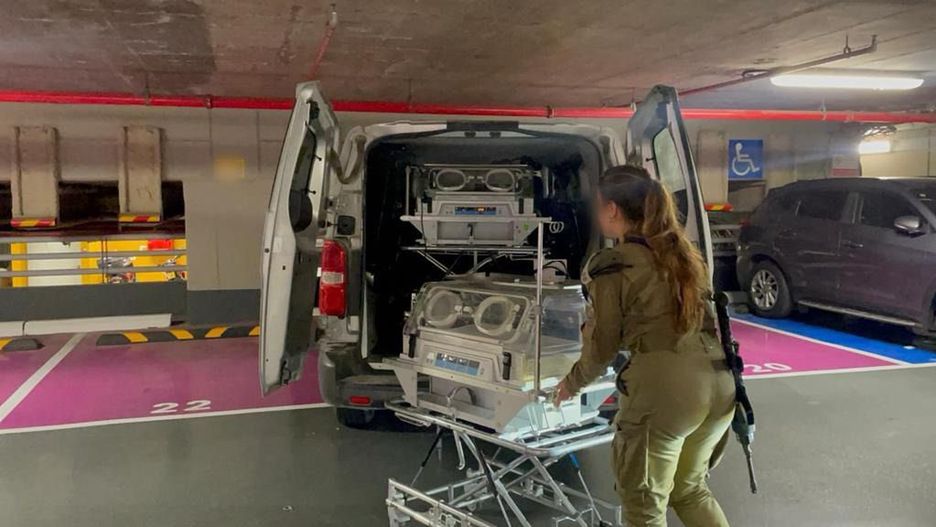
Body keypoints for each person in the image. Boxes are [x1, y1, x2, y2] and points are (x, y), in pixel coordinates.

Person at [554, 165, 735, 526]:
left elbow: (602, 344)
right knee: (689, 490)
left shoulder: (614, 265)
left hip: (666, 391)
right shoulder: (682, 255)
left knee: (644, 508)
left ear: (612, 210)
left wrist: (570, 384)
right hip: (720, 381)